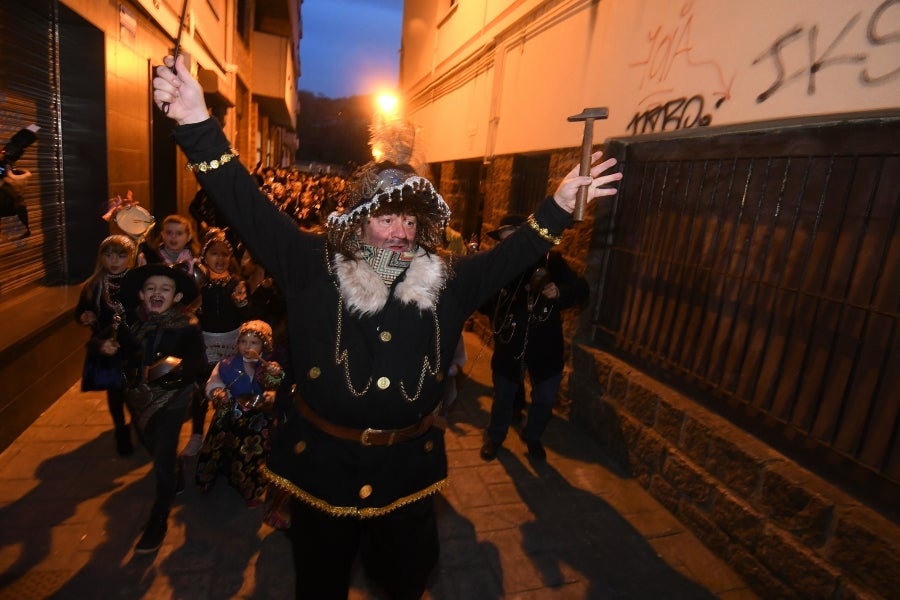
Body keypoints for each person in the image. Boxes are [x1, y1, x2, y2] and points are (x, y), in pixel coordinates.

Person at [153, 53, 622, 598]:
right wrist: (195, 125)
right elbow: (246, 205)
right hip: (322, 467)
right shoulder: (310, 264)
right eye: (386, 216)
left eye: (410, 219)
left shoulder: (447, 279)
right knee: (319, 584)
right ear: (357, 222)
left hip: (407, 474)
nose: (400, 230)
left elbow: (508, 258)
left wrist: (560, 207)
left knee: (406, 581)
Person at [478, 214, 590, 462]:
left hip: (545, 346)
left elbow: (581, 290)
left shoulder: (553, 262)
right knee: (504, 398)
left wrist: (560, 291)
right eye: (504, 242)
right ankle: (495, 437)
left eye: (513, 240)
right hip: (510, 346)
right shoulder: (497, 267)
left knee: (545, 398)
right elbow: (483, 302)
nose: (509, 247)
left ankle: (532, 436)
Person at [116, 263, 204, 554]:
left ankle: (159, 519)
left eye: (165, 289)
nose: (157, 292)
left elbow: (197, 364)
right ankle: (176, 469)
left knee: (161, 459)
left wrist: (169, 371)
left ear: (177, 297)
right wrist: (107, 350)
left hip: (171, 400)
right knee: (152, 446)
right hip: (139, 400)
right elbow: (123, 356)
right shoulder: (131, 323)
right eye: (151, 288)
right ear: (141, 294)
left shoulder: (187, 327)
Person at [196, 320, 284, 506]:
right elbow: (215, 381)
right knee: (217, 446)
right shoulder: (227, 364)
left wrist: (273, 382)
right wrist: (218, 392)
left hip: (257, 418)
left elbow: (275, 385)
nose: (247, 347)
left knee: (250, 454)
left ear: (264, 345)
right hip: (230, 412)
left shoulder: (268, 366)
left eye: (254, 343)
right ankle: (208, 477)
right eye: (244, 341)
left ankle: (249, 489)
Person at [182, 227, 250, 457]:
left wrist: (241, 304)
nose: (219, 259)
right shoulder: (199, 283)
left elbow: (246, 315)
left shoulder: (236, 283)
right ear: (204, 256)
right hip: (206, 342)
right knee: (202, 389)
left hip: (231, 342)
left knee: (231, 387)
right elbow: (188, 311)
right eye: (214, 254)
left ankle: (227, 436)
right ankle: (197, 436)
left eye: (224, 254)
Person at [74, 234, 137, 455]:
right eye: (109, 255)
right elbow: (80, 310)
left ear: (131, 257)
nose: (114, 261)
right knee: (115, 392)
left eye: (121, 256)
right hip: (107, 346)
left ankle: (138, 425)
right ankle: (121, 431)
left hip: (132, 346)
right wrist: (85, 315)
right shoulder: (93, 285)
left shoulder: (137, 282)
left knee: (134, 390)